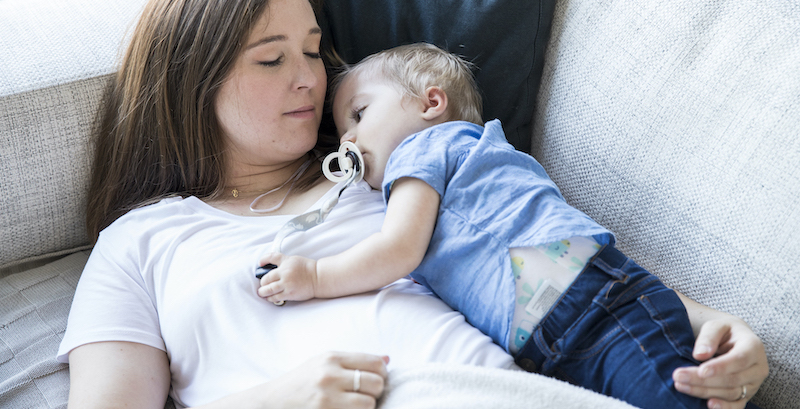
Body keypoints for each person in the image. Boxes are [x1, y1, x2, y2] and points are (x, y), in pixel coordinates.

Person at [57, 0, 766, 409]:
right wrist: (280, 399)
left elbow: (551, 252)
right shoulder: (142, 243)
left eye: (313, 51)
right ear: (191, 79)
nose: (309, 78)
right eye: (272, 60)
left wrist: (713, 330)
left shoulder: (390, 171)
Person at [258, 43, 769, 409]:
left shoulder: (427, 149)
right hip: (558, 335)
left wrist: (316, 276)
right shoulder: (453, 167)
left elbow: (398, 250)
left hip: (589, 306)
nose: (347, 140)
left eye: (359, 115)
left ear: (431, 104)